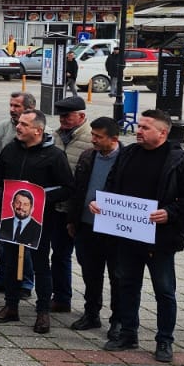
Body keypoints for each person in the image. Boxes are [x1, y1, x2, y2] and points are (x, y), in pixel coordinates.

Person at [95, 108, 184, 361]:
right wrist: (101, 204)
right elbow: (111, 185)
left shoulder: (180, 160)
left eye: (144, 128)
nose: (137, 131)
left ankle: (164, 340)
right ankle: (128, 334)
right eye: (138, 126)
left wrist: (170, 213)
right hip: (127, 234)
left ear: (162, 133)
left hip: (160, 238)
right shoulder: (128, 153)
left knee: (164, 290)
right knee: (127, 285)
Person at [0, 109, 71, 332]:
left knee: (41, 265)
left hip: (41, 221)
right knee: (11, 262)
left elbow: (68, 187)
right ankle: (10, 306)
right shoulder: (10, 151)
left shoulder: (54, 155)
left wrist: (41, 196)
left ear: (38, 130)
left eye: (24, 124)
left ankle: (42, 311)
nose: (18, 127)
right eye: (19, 123)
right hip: (12, 217)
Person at [64, 116, 122, 331]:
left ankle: (118, 319)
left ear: (114, 139)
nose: (93, 140)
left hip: (114, 228)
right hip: (86, 225)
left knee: (117, 275)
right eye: (93, 135)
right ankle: (91, 313)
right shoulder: (88, 155)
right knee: (90, 272)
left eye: (99, 137)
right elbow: (77, 189)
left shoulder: (125, 159)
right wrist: (72, 219)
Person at [0, 91, 35, 295]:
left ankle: (26, 282)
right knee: (4, 240)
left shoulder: (42, 130)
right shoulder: (2, 128)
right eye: (11, 105)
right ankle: (2, 278)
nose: (12, 109)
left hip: (28, 197)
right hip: (6, 193)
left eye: (17, 106)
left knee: (24, 242)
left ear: (29, 108)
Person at [48, 95, 92, 312]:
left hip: (77, 209)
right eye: (60, 115)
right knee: (58, 254)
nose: (62, 120)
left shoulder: (91, 139)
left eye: (67, 116)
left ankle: (76, 301)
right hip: (55, 206)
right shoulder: (54, 136)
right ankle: (60, 296)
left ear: (81, 116)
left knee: (72, 256)